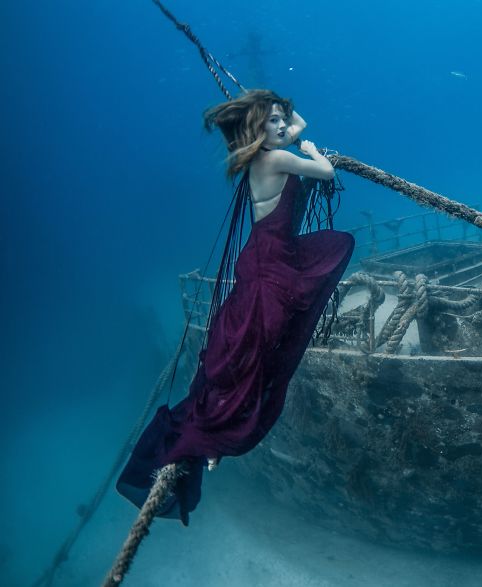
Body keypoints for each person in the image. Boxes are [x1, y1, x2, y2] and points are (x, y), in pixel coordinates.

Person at [116, 90, 354, 524]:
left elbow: (299, 125)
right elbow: (325, 170)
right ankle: (213, 437)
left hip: (272, 259)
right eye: (271, 123)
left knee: (254, 352)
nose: (283, 128)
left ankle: (214, 437)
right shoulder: (274, 160)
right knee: (255, 354)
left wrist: (273, 104)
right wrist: (312, 150)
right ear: (255, 131)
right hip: (269, 270)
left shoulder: (265, 155)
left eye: (281, 119)